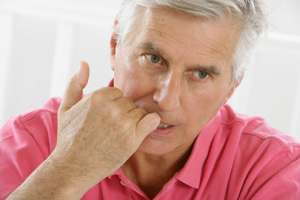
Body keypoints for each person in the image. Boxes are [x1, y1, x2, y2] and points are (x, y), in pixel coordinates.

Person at [1, 0, 300, 199]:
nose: (166, 100)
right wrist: (67, 169)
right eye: (153, 58)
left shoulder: (272, 169)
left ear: (232, 86)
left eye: (201, 75)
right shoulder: (31, 140)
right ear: (115, 47)